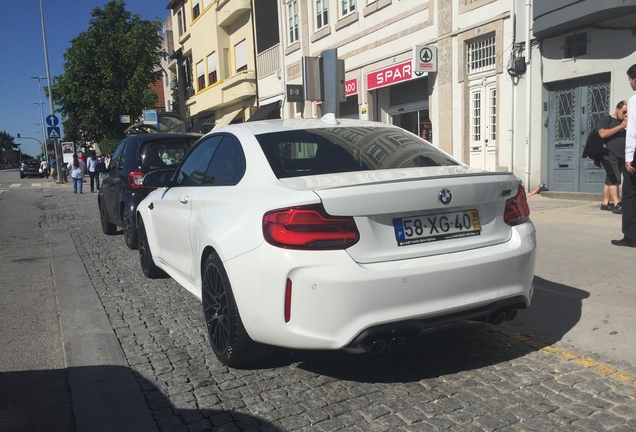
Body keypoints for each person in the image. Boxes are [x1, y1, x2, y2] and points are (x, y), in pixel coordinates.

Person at [612, 64, 636, 247]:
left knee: (629, 194)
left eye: (630, 79)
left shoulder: (634, 100)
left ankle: (631, 236)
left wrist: (628, 157)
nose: (629, 82)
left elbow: (633, 130)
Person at [598, 101, 628, 213]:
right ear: (617, 109)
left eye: (627, 113)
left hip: (622, 155)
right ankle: (617, 204)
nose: (625, 115)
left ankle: (605, 204)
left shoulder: (626, 122)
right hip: (609, 153)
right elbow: (602, 134)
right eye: (623, 112)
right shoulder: (607, 119)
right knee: (615, 178)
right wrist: (621, 126)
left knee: (610, 178)